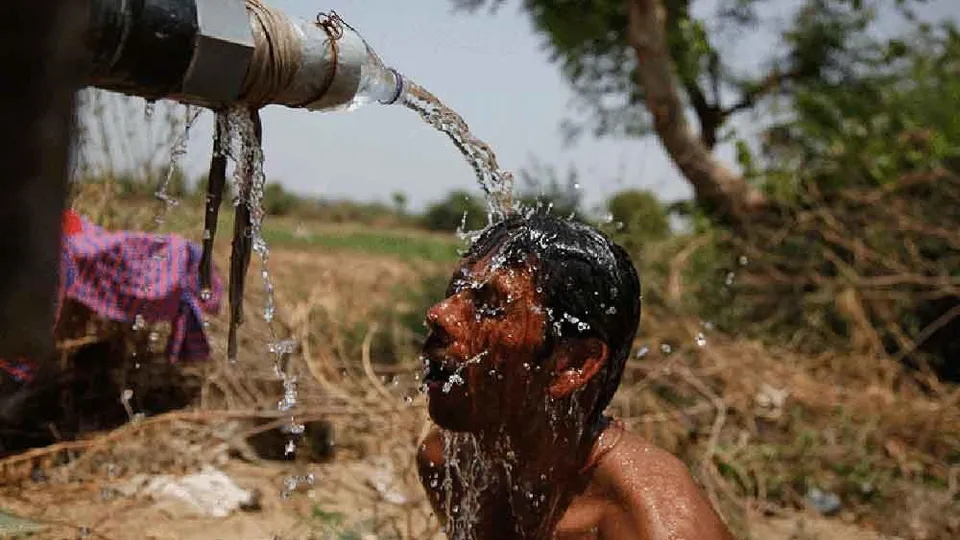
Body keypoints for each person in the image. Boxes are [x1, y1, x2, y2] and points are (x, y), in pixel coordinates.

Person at [417, 212, 734, 540]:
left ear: (573, 365)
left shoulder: (654, 523)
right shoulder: (451, 463)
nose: (439, 313)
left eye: (490, 305)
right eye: (456, 290)